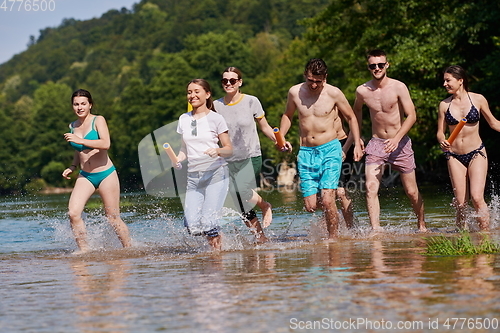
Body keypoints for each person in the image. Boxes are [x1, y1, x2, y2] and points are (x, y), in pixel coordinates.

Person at [280, 58, 363, 240]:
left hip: (330, 149)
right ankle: (334, 217)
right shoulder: (295, 92)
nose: (314, 85)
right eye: (310, 80)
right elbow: (288, 115)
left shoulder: (334, 93)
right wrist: (282, 137)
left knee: (327, 198)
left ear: (325, 77)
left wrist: (356, 143)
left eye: (318, 81)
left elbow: (351, 117)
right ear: (305, 75)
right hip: (306, 153)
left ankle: (333, 240)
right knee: (311, 205)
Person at [353, 49, 427, 232]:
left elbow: (411, 116)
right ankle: (376, 230)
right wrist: (357, 139)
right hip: (376, 143)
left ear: (387, 65)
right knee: (370, 188)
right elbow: (355, 114)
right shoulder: (362, 91)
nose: (376, 68)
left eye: (380, 65)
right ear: (368, 67)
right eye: (373, 66)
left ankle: (422, 225)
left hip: (400, 143)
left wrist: (396, 138)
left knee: (411, 191)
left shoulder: (399, 87)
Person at [62, 89, 132, 254]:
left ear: (90, 105)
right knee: (73, 213)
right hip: (85, 175)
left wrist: (81, 140)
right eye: (76, 104)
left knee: (113, 218)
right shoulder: (72, 126)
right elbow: (78, 150)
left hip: (106, 174)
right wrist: (72, 166)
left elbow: (105, 143)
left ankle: (129, 249)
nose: (80, 107)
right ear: (72, 106)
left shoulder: (98, 120)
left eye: (83, 104)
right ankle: (84, 251)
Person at [213, 67, 275, 243]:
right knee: (240, 203)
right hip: (227, 160)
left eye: (232, 80)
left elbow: (264, 126)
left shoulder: (251, 101)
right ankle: (261, 238)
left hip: (250, 155)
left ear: (240, 82)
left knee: (239, 189)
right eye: (225, 81)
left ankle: (264, 205)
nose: (228, 83)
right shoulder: (216, 106)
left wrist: (278, 141)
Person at [437, 65, 500, 231]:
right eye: (444, 80)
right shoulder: (444, 105)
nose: (444, 84)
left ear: (460, 80)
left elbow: (494, 123)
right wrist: (442, 140)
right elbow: (439, 133)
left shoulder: (478, 99)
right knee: (460, 203)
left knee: (477, 197)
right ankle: (461, 237)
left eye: (448, 80)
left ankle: (484, 237)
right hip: (454, 156)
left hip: (476, 153)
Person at [174, 79, 233, 250]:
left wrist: (218, 151)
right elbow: (184, 149)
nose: (192, 95)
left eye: (196, 91)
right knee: (191, 225)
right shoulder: (183, 119)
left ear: (207, 95)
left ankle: (216, 257)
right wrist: (178, 159)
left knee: (208, 222)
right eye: (189, 92)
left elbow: (229, 149)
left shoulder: (216, 118)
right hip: (194, 177)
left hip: (216, 173)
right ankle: (218, 242)